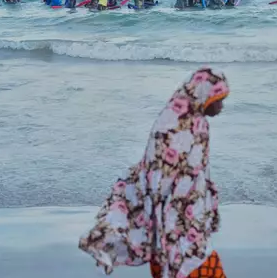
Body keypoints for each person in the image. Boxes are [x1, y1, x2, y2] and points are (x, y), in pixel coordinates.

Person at [79, 67, 230, 278]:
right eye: (219, 99)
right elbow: (157, 172)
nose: (221, 106)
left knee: (183, 262)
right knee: (197, 264)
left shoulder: (194, 123)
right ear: (204, 93)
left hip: (185, 216)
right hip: (173, 216)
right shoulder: (177, 124)